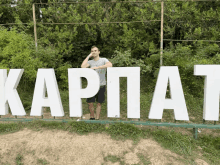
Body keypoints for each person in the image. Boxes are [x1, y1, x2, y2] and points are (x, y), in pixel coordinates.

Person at [81, 46, 113, 120]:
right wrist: (88, 56)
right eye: (92, 51)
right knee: (90, 102)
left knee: (99, 103)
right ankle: (92, 117)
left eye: (95, 50)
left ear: (99, 52)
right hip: (91, 85)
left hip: (101, 84)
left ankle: (97, 118)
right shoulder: (90, 62)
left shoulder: (103, 59)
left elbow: (110, 65)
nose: (94, 52)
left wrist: (98, 67)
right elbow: (82, 66)